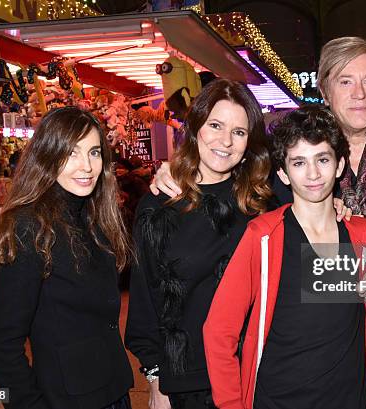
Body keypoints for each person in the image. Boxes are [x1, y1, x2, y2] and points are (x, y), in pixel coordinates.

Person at [152, 37, 366, 408]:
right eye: (345, 81)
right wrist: (180, 170)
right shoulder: (298, 154)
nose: (359, 93)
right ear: (324, 88)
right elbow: (226, 168)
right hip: (319, 365)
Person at [203, 105, 366, 409]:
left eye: (322, 159)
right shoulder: (262, 236)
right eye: (299, 162)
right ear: (283, 173)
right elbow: (219, 330)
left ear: (339, 165)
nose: (312, 174)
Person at [125, 79, 275, 409]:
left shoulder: (263, 201)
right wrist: (155, 380)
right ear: (196, 128)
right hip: (188, 381)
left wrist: (335, 205)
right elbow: (145, 301)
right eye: (216, 125)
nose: (226, 141)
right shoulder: (160, 205)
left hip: (253, 373)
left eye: (239, 131)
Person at [0, 106, 134, 409]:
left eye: (94, 153)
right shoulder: (27, 228)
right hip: (68, 399)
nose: (87, 166)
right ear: (48, 156)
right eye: (72, 153)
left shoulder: (94, 218)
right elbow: (3, 346)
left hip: (114, 389)